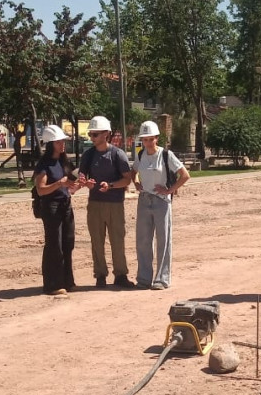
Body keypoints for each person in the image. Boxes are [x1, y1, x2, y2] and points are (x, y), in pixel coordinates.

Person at [78, 115, 135, 288]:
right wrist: (85, 182)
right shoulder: (88, 156)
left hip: (115, 204)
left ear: (106, 134)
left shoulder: (118, 154)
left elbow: (127, 180)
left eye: (95, 134)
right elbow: (82, 176)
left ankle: (120, 275)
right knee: (97, 240)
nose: (92, 138)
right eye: (91, 134)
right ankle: (100, 275)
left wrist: (110, 185)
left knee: (117, 240)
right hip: (95, 203)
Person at [133, 121, 190, 290]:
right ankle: (144, 278)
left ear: (157, 138)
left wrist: (170, 190)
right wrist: (136, 183)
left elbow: (185, 175)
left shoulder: (166, 155)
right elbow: (133, 172)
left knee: (163, 241)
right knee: (143, 241)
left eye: (151, 139)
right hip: (144, 200)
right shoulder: (141, 154)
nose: (148, 142)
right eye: (145, 139)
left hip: (161, 202)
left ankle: (162, 279)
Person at [34, 125, 85, 296]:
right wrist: (59, 184)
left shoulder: (64, 162)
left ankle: (67, 281)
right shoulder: (44, 164)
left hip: (65, 205)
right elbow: (41, 190)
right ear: (50, 144)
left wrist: (80, 184)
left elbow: (69, 188)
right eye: (59, 141)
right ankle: (52, 284)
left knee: (68, 243)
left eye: (63, 141)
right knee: (54, 245)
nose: (63, 144)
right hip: (51, 207)